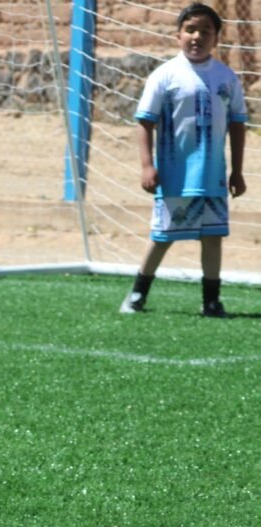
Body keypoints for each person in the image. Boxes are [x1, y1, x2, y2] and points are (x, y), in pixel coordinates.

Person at [120, 3, 247, 318]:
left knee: (213, 236)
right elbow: (144, 121)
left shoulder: (226, 77)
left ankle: (212, 301)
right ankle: (137, 293)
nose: (197, 36)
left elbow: (237, 123)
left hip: (214, 175)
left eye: (205, 31)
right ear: (178, 35)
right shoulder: (165, 75)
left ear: (216, 38)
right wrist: (148, 165)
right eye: (190, 30)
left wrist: (238, 171)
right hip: (176, 174)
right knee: (162, 236)